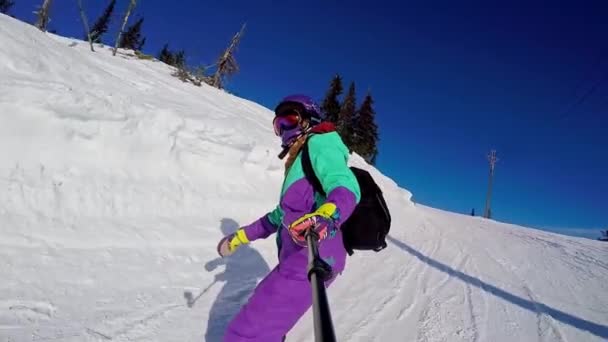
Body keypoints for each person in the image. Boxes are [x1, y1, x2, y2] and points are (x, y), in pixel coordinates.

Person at [216, 94, 361, 341]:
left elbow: (345, 185)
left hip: (315, 254)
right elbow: (277, 217)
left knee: (245, 334)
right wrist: (238, 238)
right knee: (266, 325)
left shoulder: (320, 143)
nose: (283, 129)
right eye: (278, 124)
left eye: (290, 120)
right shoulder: (299, 163)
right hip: (296, 257)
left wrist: (327, 215)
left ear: (308, 120)